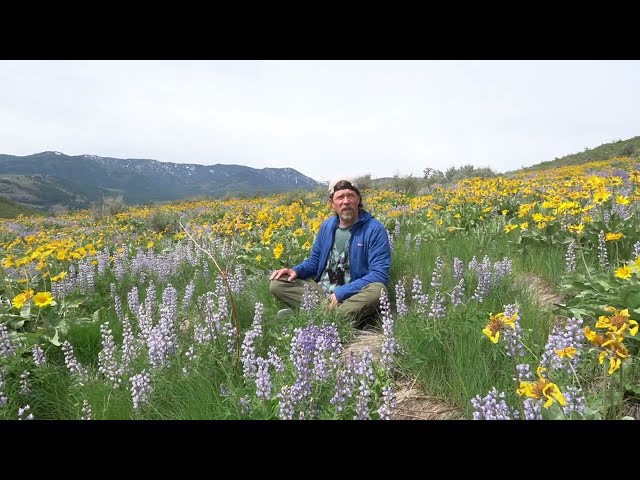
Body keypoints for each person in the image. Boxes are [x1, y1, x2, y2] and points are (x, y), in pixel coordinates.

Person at [269, 176, 391, 327]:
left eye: (350, 196)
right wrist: (295, 270)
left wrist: (341, 293)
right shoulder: (327, 226)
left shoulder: (374, 229)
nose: (346, 201)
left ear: (358, 199)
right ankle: (335, 317)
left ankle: (318, 318)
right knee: (277, 283)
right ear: (332, 203)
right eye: (340, 197)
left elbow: (379, 274)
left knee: (379, 291)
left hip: (354, 294)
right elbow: (315, 261)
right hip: (322, 292)